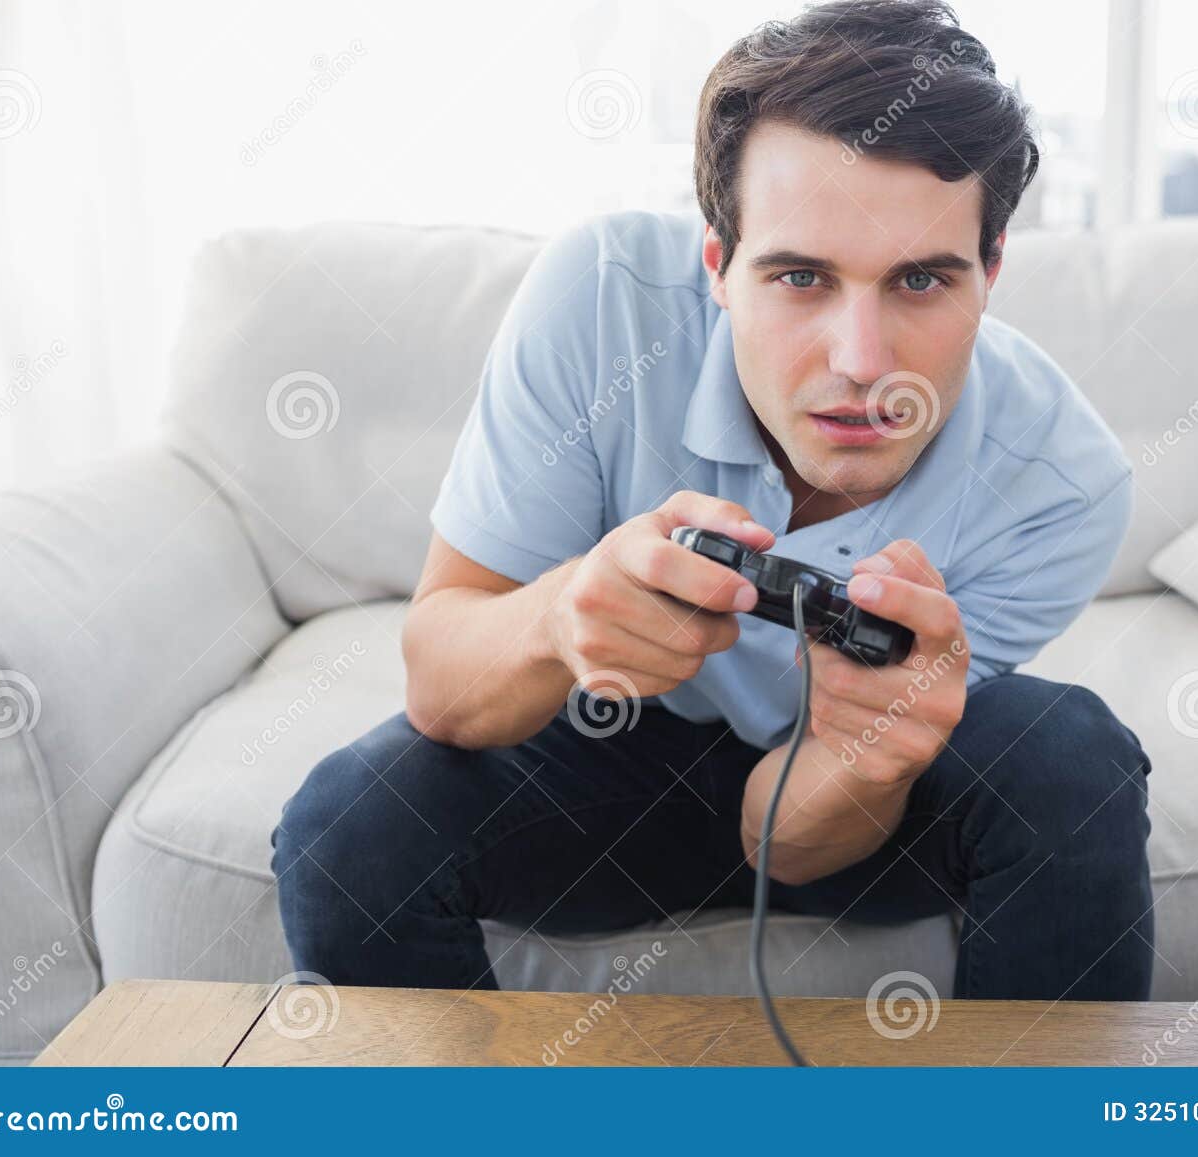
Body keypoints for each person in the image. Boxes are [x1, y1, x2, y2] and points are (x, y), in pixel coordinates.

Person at [271, 0, 1153, 1002]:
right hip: (606, 737)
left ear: (990, 271)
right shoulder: (601, 298)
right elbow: (440, 676)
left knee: (1068, 758)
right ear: (718, 266)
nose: (861, 363)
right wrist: (560, 613)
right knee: (353, 820)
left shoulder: (1062, 483)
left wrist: (864, 758)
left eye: (919, 279)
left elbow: (784, 840)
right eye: (800, 276)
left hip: (858, 796)